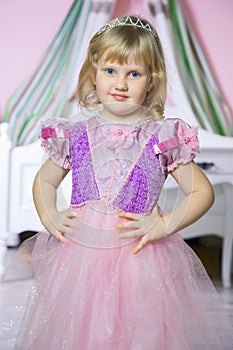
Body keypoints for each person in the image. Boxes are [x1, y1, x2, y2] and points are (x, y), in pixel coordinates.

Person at [16, 15, 233, 349]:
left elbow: (201, 192)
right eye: (111, 71)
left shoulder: (163, 135)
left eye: (134, 73)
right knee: (80, 323)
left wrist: (163, 224)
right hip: (83, 254)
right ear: (94, 72)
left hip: (139, 253)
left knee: (141, 326)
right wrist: (52, 215)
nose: (120, 83)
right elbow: (45, 181)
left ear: (152, 79)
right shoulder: (75, 133)